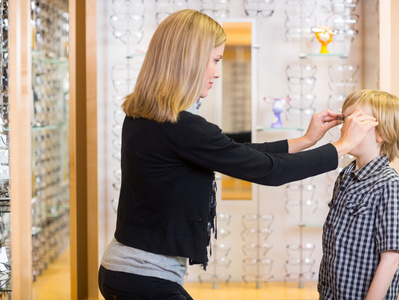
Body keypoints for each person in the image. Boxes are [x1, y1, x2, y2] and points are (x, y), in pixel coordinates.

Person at [98, 9, 377, 300]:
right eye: (215, 60)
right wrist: (343, 146)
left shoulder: (146, 117)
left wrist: (307, 140)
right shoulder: (182, 126)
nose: (218, 72)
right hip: (143, 279)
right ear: (189, 61)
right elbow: (270, 171)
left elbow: (237, 152)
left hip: (125, 272)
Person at [318, 90, 399, 300]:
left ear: (382, 133)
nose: (343, 128)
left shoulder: (389, 186)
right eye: (345, 120)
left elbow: (390, 260)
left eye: (355, 122)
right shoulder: (346, 176)